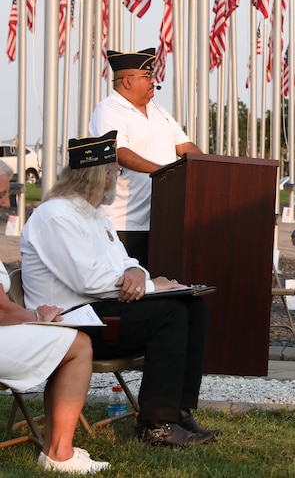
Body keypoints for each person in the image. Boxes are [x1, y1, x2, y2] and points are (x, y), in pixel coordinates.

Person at [20, 133, 218, 447]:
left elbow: (127, 263)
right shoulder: (56, 215)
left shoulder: (96, 216)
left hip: (102, 309)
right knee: (169, 313)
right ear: (102, 175)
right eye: (116, 171)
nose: (118, 178)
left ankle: (178, 411)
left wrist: (139, 273)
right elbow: (89, 281)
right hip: (73, 321)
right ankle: (155, 424)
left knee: (194, 306)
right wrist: (151, 287)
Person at [0, 161, 109, 474]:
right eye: (2, 195)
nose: (7, 203)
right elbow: (2, 310)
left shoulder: (95, 216)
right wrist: (38, 316)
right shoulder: (56, 214)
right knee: (77, 344)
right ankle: (59, 454)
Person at [89, 48, 201, 269]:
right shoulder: (109, 111)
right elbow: (119, 152)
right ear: (128, 81)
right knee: (127, 286)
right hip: (124, 223)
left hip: (162, 219)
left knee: (159, 283)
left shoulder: (159, 111)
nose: (153, 81)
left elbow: (184, 145)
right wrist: (164, 172)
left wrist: (206, 168)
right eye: (147, 76)